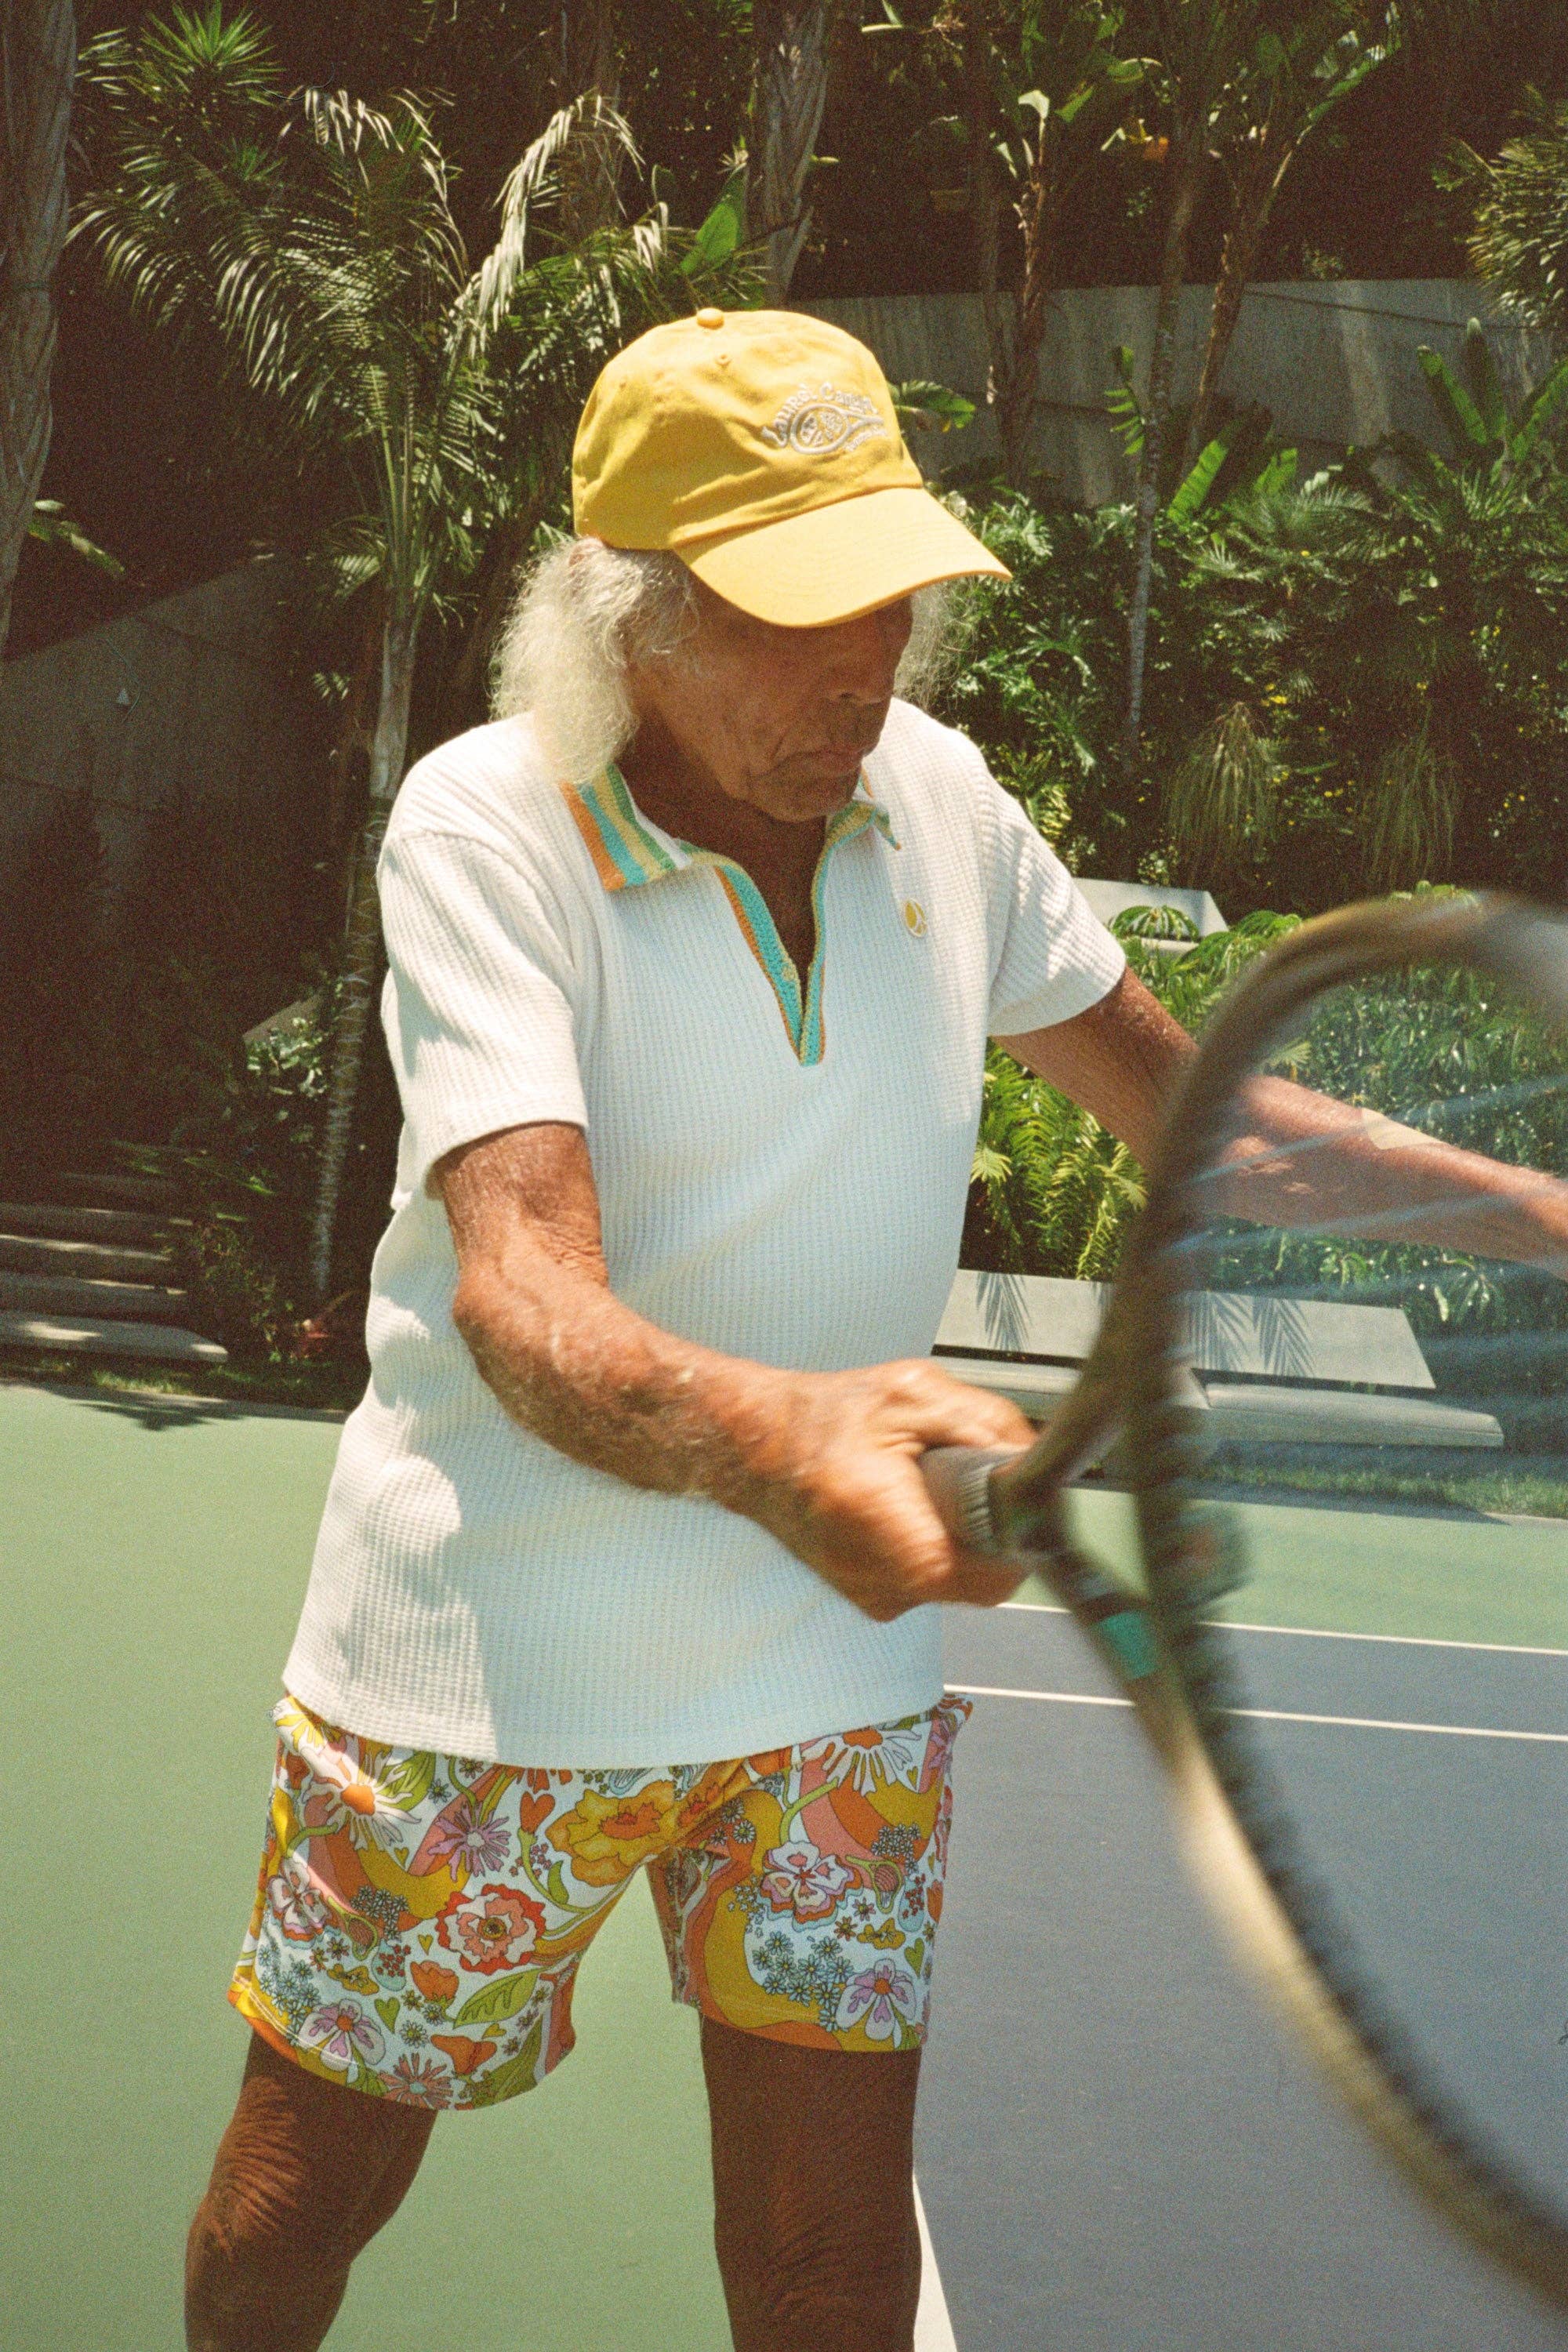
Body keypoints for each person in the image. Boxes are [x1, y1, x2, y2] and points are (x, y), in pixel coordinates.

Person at [183, 307, 1568, 2352]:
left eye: (890, 594)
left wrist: (1547, 1217)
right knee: (296, 2210)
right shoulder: (487, 825)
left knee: (832, 2272)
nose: (867, 661)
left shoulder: (941, 801)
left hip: (829, 1683)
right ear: (632, 616)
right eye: (796, 609)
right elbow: (524, 1290)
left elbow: (1216, 1129)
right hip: (489, 1668)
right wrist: (782, 1439)